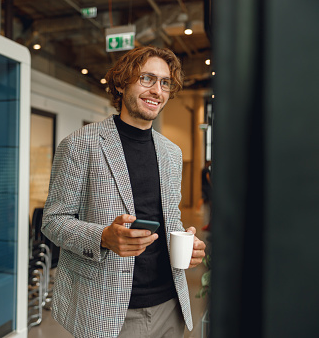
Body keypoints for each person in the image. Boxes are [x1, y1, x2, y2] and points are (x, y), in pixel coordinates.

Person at [42, 46, 206, 338]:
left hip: (171, 305)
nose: (157, 90)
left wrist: (186, 243)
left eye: (165, 82)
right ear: (121, 83)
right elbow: (54, 221)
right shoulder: (80, 144)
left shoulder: (172, 153)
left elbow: (169, 218)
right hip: (109, 308)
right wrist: (102, 237)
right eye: (147, 79)